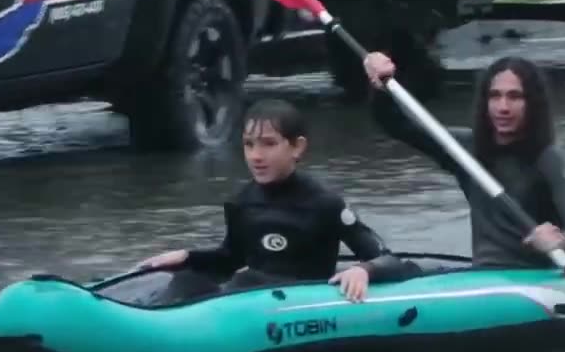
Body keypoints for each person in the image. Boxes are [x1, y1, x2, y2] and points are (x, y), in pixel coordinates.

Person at [138, 98, 410, 302]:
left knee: (247, 279)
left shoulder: (325, 204)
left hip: (300, 304)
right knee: (188, 280)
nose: (256, 156)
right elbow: (231, 258)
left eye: (268, 144)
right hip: (249, 300)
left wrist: (364, 270)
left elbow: (389, 260)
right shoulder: (241, 203)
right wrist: (187, 257)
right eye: (248, 144)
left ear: (297, 147)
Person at [361, 51, 565, 269]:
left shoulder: (548, 158)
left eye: (514, 97)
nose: (503, 107)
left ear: (532, 104)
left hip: (535, 274)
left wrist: (559, 241)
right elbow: (398, 125)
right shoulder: (464, 149)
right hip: (486, 272)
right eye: (495, 96)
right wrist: (380, 86)